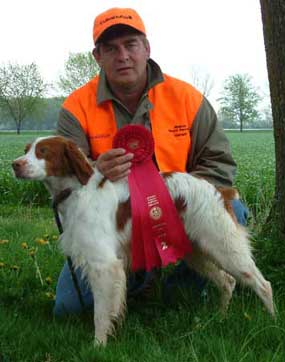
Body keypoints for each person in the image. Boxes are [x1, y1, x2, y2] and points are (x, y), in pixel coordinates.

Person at [54, 7, 248, 315]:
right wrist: (94, 172)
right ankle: (135, 277)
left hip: (183, 211)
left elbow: (219, 163)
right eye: (110, 49)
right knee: (69, 308)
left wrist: (180, 204)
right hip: (114, 224)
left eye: (131, 44)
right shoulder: (76, 107)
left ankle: (179, 288)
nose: (122, 56)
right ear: (97, 57)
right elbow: (63, 180)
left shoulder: (187, 98)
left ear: (147, 48)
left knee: (233, 208)